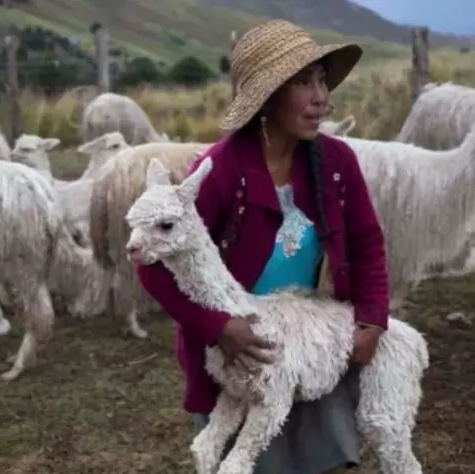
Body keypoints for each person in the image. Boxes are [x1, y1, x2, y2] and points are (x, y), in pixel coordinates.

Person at [134, 19, 390, 474]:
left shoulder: (335, 162)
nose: (321, 99)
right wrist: (217, 326)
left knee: (326, 461)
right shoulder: (219, 172)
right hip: (243, 351)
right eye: (303, 83)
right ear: (267, 97)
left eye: (322, 81)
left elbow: (367, 242)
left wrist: (371, 318)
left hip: (306, 339)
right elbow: (152, 263)